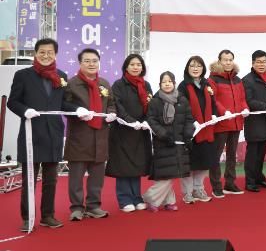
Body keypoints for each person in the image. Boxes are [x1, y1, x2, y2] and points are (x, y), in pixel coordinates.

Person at [8, 38, 78, 232]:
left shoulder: (61, 76)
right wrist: (25, 111)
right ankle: (27, 217)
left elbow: (62, 104)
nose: (46, 55)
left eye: (50, 52)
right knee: (29, 180)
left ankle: (48, 216)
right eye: (42, 52)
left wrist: (78, 110)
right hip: (31, 134)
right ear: (35, 53)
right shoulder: (23, 75)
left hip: (53, 134)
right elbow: (12, 102)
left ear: (55, 54)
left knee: (51, 180)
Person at [64, 48, 117, 221]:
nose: (91, 64)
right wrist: (77, 111)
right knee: (76, 177)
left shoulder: (104, 84)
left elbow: (111, 103)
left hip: (100, 136)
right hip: (79, 137)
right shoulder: (72, 84)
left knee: (97, 177)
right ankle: (76, 208)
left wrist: (111, 113)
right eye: (87, 61)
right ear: (80, 63)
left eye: (94, 61)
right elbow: (64, 105)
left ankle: (94, 206)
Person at [106, 53, 153, 213]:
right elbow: (117, 105)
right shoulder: (118, 85)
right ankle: (125, 199)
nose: (135, 67)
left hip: (140, 132)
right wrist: (130, 121)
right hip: (123, 131)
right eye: (132, 64)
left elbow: (151, 105)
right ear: (126, 67)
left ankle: (136, 197)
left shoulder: (146, 85)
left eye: (138, 64)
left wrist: (146, 121)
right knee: (123, 166)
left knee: (137, 165)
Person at [143, 71, 193, 211]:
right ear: (160, 84)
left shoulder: (182, 100)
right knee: (167, 173)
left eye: (170, 81)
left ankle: (168, 201)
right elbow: (151, 120)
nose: (167, 84)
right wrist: (164, 135)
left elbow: (189, 119)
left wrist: (188, 135)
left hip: (179, 143)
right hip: (163, 142)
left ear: (174, 83)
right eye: (164, 82)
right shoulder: (155, 101)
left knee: (172, 172)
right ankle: (151, 198)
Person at [178, 56, 224, 204]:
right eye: (192, 66)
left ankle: (198, 189)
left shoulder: (206, 84)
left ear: (203, 68)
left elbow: (213, 103)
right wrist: (193, 121)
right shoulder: (183, 86)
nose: (195, 68)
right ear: (187, 68)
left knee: (204, 162)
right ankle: (187, 192)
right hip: (190, 131)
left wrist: (215, 114)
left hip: (206, 130)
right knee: (190, 164)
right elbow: (182, 108)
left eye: (198, 66)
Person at [208, 50, 250, 197]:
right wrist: (223, 112)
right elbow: (213, 99)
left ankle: (230, 184)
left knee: (232, 155)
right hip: (221, 123)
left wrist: (245, 108)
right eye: (225, 60)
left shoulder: (237, 79)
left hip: (236, 122)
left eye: (230, 59)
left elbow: (242, 98)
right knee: (216, 155)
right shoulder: (213, 79)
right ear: (219, 61)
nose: (228, 62)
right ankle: (216, 186)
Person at [242, 50, 266, 192]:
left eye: (264, 62)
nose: (261, 64)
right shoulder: (247, 80)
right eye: (258, 62)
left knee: (261, 153)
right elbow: (248, 100)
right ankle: (250, 182)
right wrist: (264, 106)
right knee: (252, 153)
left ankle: (259, 178)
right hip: (254, 121)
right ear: (253, 63)